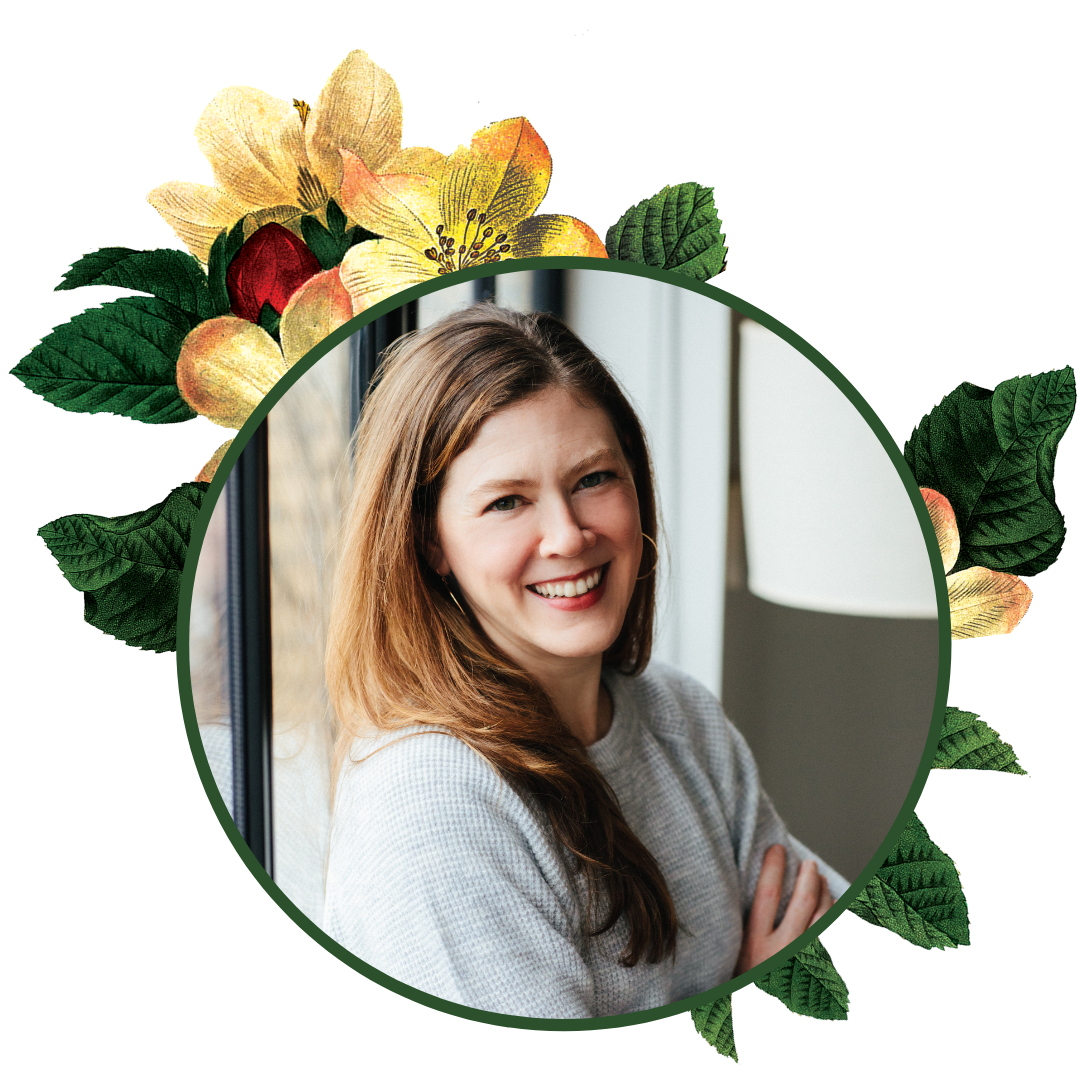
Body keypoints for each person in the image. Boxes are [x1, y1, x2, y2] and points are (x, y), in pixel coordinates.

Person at [322, 301, 850, 1019]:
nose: (567, 537)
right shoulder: (434, 799)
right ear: (430, 544)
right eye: (508, 502)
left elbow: (825, 934)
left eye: (593, 479)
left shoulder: (678, 713)